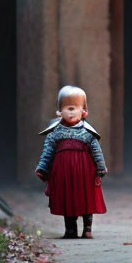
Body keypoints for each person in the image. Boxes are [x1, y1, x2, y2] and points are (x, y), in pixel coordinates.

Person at [35, 85, 108, 239]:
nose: (71, 112)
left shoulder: (88, 132)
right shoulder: (55, 132)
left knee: (86, 198)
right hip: (63, 174)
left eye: (75, 108)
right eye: (67, 108)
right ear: (59, 112)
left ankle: (87, 228)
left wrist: (101, 167)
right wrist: (42, 167)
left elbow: (96, 151)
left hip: (85, 173)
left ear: (84, 112)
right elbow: (48, 151)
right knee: (68, 198)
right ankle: (70, 229)